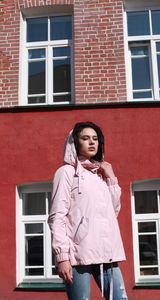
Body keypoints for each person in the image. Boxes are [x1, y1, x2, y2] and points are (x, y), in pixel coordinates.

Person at [48, 121, 128, 300]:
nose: (92, 142)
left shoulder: (100, 174)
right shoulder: (66, 172)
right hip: (77, 256)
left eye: (95, 138)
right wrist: (62, 257)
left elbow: (112, 212)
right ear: (75, 143)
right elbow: (57, 216)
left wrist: (111, 178)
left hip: (107, 254)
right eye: (85, 138)